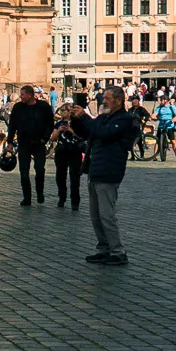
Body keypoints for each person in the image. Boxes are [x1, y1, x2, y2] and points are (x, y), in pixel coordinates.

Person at [76, 86, 142, 265]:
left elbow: (103, 133)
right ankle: (104, 248)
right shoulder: (104, 117)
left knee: (106, 215)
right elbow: (89, 132)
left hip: (109, 171)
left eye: (107, 98)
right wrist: (76, 120)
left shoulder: (124, 120)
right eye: (103, 97)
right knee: (95, 215)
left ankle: (118, 251)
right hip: (95, 169)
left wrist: (84, 116)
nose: (102, 100)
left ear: (118, 101)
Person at [5, 85, 53, 207]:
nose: (21, 97)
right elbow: (12, 125)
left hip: (39, 143)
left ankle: (40, 193)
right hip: (24, 143)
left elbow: (50, 123)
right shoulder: (18, 107)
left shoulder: (43, 107)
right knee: (24, 171)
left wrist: (44, 139)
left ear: (30, 95)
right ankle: (27, 197)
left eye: (23, 94)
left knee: (40, 170)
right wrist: (10, 142)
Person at [52, 96, 87, 210]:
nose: (61, 113)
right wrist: (59, 131)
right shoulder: (58, 123)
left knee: (74, 176)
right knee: (60, 176)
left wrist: (72, 131)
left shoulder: (77, 123)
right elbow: (52, 138)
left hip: (74, 151)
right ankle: (62, 197)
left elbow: (83, 136)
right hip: (61, 151)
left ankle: (75, 201)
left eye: (63, 111)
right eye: (61, 111)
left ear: (69, 112)